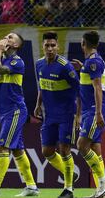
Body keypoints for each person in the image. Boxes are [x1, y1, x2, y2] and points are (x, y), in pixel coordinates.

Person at [0, 33, 39, 197]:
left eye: (10, 37)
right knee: (17, 150)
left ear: (16, 45)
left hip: (15, 110)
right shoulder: (0, 57)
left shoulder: (17, 62)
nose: (6, 38)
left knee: (3, 146)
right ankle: (31, 186)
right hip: (5, 112)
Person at [34, 31, 79, 198]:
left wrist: (79, 115)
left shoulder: (65, 66)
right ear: (43, 46)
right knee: (47, 151)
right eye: (47, 45)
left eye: (53, 45)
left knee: (64, 149)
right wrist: (38, 104)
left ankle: (69, 189)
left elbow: (79, 90)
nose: (50, 48)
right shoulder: (39, 64)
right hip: (49, 115)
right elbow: (42, 86)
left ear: (58, 47)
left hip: (66, 114)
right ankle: (70, 174)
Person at [72, 30, 105, 198]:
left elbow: (97, 88)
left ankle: (103, 180)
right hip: (90, 110)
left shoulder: (94, 62)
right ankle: (102, 192)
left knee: (81, 145)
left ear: (83, 44)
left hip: (94, 110)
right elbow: (88, 85)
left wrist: (98, 112)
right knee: (95, 148)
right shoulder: (90, 62)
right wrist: (83, 69)